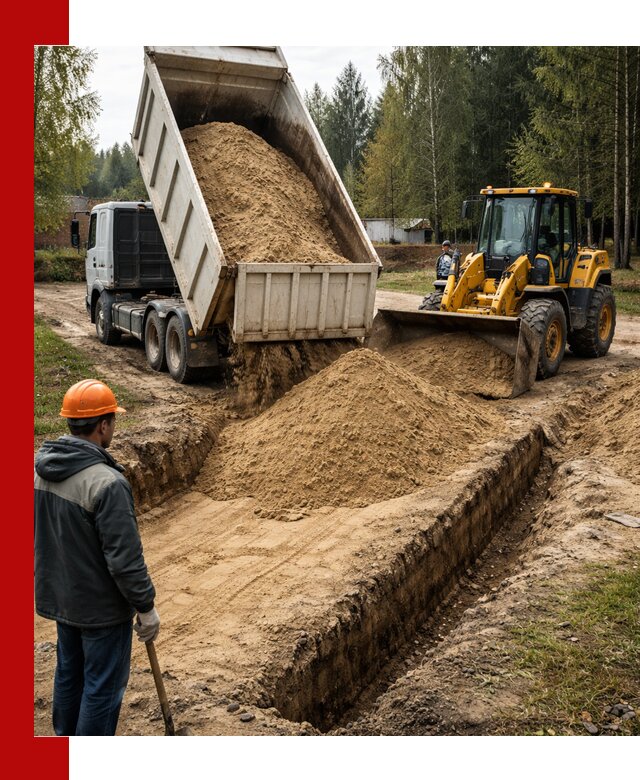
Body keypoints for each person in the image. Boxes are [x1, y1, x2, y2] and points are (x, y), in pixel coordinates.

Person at [34, 379, 160, 736]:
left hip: (61, 600)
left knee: (69, 676)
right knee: (102, 689)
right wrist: (146, 606)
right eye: (113, 421)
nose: (114, 428)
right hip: (101, 611)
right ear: (103, 425)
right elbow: (125, 560)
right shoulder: (107, 483)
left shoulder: (39, 472)